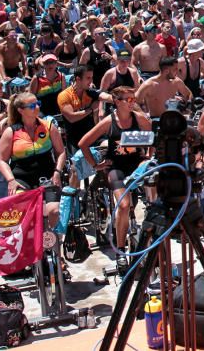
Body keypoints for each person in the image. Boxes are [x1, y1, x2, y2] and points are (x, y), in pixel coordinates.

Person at [78, 86, 152, 270]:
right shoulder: (109, 122)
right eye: (127, 100)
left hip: (137, 165)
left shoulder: (140, 119)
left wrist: (148, 157)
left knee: (155, 195)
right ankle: (120, 250)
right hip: (117, 167)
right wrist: (96, 165)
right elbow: (83, 143)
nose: (132, 102)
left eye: (133, 99)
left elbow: (151, 139)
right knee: (124, 205)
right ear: (117, 101)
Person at [0, 93, 67, 228]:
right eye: (32, 106)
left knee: (54, 211)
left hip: (47, 176)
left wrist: (57, 171)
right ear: (21, 110)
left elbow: (61, 152)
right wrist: (11, 181)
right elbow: (2, 160)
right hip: (22, 179)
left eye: (38, 104)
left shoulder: (48, 126)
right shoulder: (11, 132)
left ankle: (52, 243)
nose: (36, 107)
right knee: (23, 212)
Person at [136, 56, 192, 121]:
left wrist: (186, 106)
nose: (177, 71)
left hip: (172, 119)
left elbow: (189, 94)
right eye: (175, 69)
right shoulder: (149, 85)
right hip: (155, 120)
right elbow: (135, 101)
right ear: (166, 71)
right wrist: (143, 115)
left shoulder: (177, 82)